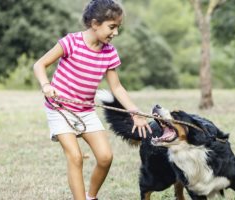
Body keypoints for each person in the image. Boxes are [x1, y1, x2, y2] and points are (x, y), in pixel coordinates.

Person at [33, 0, 152, 199]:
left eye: (118, 27)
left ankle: (91, 196)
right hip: (59, 109)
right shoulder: (71, 42)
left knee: (106, 157)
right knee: (76, 157)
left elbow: (116, 87)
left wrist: (134, 111)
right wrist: (46, 85)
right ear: (95, 24)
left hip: (86, 111)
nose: (115, 33)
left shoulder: (109, 52)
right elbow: (39, 64)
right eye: (112, 27)